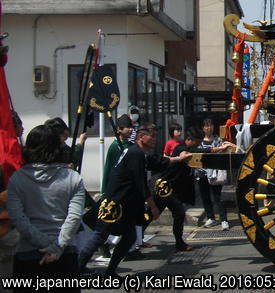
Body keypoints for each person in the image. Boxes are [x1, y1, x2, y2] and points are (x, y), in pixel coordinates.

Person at [77, 124, 187, 276]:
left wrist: (178, 159)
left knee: (129, 237)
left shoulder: (138, 154)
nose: (155, 139)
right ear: (142, 137)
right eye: (152, 136)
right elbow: (140, 183)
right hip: (115, 204)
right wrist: (153, 206)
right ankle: (77, 269)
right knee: (100, 236)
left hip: (125, 204)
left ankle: (110, 272)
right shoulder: (135, 154)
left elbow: (156, 162)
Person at [6, 124, 85, 291]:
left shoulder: (16, 179)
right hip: (65, 253)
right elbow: (74, 217)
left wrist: (44, 243)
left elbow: (18, 218)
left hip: (28, 254)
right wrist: (56, 246)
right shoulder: (73, 178)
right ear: (57, 148)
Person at [152, 127, 204, 251]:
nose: (198, 144)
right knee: (178, 213)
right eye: (197, 142)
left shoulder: (188, 148)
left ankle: (135, 239)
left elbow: (202, 151)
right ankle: (179, 243)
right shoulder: (181, 148)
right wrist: (183, 156)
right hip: (164, 187)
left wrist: (217, 149)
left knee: (156, 213)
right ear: (189, 140)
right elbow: (183, 155)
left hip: (172, 189)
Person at [197, 118, 233, 230]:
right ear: (203, 128)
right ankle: (210, 217)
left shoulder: (218, 140)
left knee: (218, 197)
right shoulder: (199, 141)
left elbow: (226, 150)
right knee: (205, 196)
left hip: (215, 173)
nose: (209, 128)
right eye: (206, 126)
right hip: (201, 172)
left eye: (211, 125)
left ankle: (224, 220)